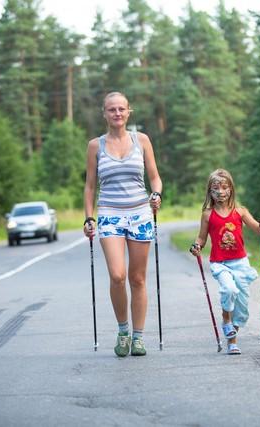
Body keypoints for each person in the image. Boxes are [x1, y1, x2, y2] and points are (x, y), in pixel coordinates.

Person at [83, 91, 163, 356]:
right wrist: (88, 217)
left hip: (140, 213)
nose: (117, 113)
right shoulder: (96, 145)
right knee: (117, 275)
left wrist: (156, 195)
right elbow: (90, 186)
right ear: (104, 114)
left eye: (121, 109)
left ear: (129, 112)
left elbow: (155, 177)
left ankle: (139, 338)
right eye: (111, 109)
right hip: (109, 215)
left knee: (137, 278)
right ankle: (123, 331)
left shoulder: (141, 140)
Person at [189, 169, 260, 355]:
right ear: (209, 191)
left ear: (231, 189)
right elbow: (201, 238)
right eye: (215, 188)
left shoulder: (240, 212)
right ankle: (226, 320)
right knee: (229, 289)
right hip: (220, 263)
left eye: (224, 187)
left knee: (242, 306)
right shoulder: (208, 214)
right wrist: (196, 246)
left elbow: (258, 229)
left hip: (240, 262)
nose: (220, 192)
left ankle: (232, 342)